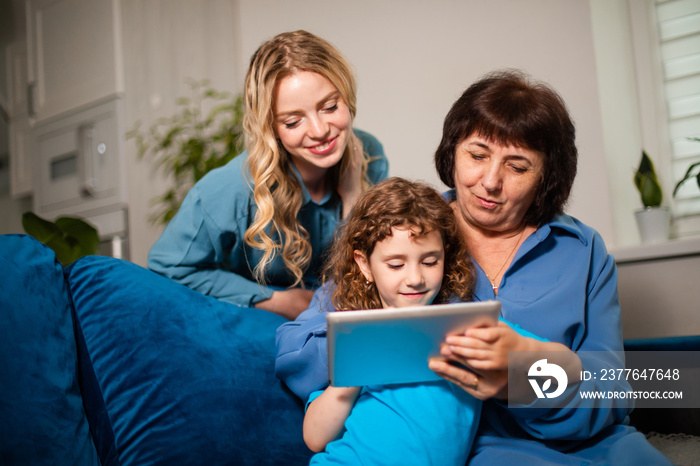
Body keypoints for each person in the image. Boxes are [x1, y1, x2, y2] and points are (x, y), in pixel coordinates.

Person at [275, 70, 672, 464]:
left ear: (546, 177)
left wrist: (528, 373)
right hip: (483, 451)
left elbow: (612, 389)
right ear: (453, 153)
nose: (490, 181)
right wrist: (388, 340)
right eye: (477, 156)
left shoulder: (582, 250)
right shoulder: (409, 234)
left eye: (517, 167)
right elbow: (298, 352)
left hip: (598, 446)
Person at [304, 177, 550, 465]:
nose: (415, 278)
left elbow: (554, 368)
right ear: (364, 264)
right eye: (396, 264)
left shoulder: (468, 325)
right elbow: (315, 438)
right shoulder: (359, 334)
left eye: (430, 261)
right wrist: (348, 381)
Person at [148, 30, 388, 320]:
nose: (319, 130)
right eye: (293, 121)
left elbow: (369, 271)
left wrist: (353, 199)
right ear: (270, 127)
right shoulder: (228, 188)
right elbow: (167, 268)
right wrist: (275, 299)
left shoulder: (370, 156)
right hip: (257, 330)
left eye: (330, 107)